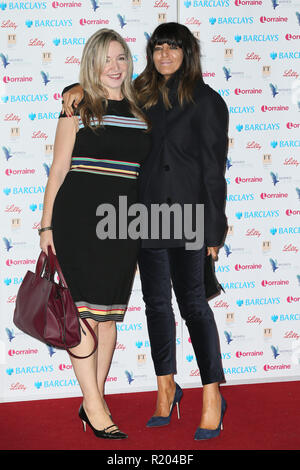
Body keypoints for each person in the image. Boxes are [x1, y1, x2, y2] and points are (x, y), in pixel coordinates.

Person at [62, 22, 229, 441]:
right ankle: (166, 388)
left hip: (189, 215)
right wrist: (73, 88)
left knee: (193, 305)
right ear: (150, 53)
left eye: (174, 48)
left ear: (188, 53)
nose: (165, 55)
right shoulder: (142, 93)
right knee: (156, 305)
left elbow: (214, 171)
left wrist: (213, 231)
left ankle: (212, 394)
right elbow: (104, 85)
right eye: (158, 48)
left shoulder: (208, 101)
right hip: (141, 217)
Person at [39, 28, 150, 440]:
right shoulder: (78, 104)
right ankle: (96, 405)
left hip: (123, 223)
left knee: (107, 318)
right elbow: (58, 168)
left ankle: (92, 400)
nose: (115, 67)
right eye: (106, 59)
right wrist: (46, 224)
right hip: (78, 220)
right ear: (93, 63)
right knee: (81, 316)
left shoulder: (143, 110)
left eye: (121, 57)